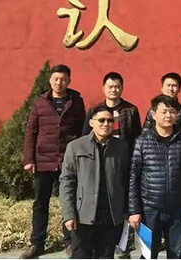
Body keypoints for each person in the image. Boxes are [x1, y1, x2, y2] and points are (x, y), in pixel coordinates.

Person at [22, 64, 86, 259]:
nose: (59, 82)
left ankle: (70, 241)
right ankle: (37, 243)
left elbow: (82, 130)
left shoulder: (76, 102)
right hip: (44, 159)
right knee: (40, 203)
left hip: (68, 160)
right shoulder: (39, 102)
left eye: (63, 79)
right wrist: (29, 159)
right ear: (50, 80)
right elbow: (31, 131)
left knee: (70, 201)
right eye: (56, 79)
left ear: (69, 81)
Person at [128, 95, 181, 259]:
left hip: (177, 208)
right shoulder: (142, 142)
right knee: (148, 254)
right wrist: (134, 210)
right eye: (164, 112)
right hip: (150, 208)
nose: (168, 116)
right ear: (154, 115)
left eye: (172, 112)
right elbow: (133, 178)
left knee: (177, 253)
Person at [59, 106, 130, 259]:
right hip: (83, 215)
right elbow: (67, 182)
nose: (106, 124)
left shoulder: (121, 148)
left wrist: (126, 210)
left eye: (110, 120)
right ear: (91, 123)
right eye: (101, 120)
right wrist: (68, 214)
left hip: (110, 216)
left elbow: (126, 181)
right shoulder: (76, 146)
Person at [82, 71, 142, 148]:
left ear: (122, 88)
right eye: (110, 87)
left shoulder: (131, 110)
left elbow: (137, 136)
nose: (113, 90)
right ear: (104, 89)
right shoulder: (94, 110)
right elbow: (85, 136)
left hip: (123, 152)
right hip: (99, 151)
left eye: (117, 87)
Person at [144, 72, 181, 144]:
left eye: (174, 86)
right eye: (168, 85)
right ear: (162, 88)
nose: (170, 89)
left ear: (179, 89)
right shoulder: (152, 111)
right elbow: (145, 133)